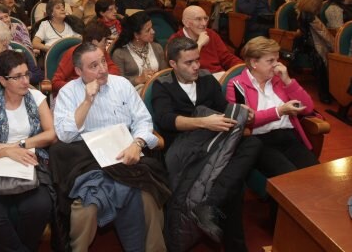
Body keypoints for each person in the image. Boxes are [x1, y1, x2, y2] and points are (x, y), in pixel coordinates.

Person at [52, 42, 170, 252]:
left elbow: (144, 121)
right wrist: (88, 101)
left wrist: (137, 143)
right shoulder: (68, 93)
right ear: (79, 71)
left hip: (126, 156)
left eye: (103, 62)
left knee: (150, 197)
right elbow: (65, 136)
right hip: (88, 162)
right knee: (85, 209)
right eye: (94, 66)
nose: (103, 69)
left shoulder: (122, 85)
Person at [151, 37, 261, 251]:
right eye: (188, 63)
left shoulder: (207, 79)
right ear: (173, 64)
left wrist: (240, 113)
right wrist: (204, 122)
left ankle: (211, 204)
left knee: (254, 142)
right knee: (234, 188)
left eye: (197, 60)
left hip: (211, 144)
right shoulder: (162, 85)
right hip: (183, 147)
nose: (196, 66)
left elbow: (223, 108)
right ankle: (233, 243)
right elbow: (166, 120)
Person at [0, 50, 57, 252]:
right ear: (2, 80)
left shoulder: (36, 97)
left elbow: (51, 135)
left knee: (38, 206)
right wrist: (7, 153)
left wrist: (15, 146)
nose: (26, 81)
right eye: (17, 77)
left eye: (26, 74)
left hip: (30, 163)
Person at [225, 37, 319, 178]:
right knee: (290, 178)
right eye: (270, 61)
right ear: (254, 62)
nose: (277, 65)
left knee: (316, 174)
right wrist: (279, 111)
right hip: (259, 142)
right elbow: (244, 121)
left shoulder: (280, 79)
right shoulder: (237, 85)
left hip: (289, 137)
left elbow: (308, 108)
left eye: (277, 60)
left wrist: (288, 80)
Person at [169, 6, 243, 80]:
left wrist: (244, 68)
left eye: (205, 18)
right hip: (197, 80)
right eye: (198, 19)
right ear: (186, 23)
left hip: (220, 77)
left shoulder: (211, 34)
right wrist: (199, 44)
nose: (204, 23)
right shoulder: (176, 40)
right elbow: (183, 71)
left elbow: (227, 58)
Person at [52, 21, 120, 97]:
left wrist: (98, 77)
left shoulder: (100, 52)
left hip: (99, 92)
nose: (106, 44)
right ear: (94, 42)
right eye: (105, 41)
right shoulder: (74, 53)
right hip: (75, 95)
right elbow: (55, 82)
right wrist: (80, 85)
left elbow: (115, 70)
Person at [110, 11, 167, 89]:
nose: (153, 32)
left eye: (152, 27)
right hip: (132, 94)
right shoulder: (120, 53)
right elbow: (117, 84)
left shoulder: (157, 48)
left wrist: (157, 77)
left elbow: (165, 74)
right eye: (148, 30)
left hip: (158, 90)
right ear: (136, 35)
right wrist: (138, 80)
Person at [296, 0, 335, 103]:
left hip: (305, 45)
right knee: (322, 70)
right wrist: (336, 46)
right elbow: (324, 34)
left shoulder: (300, 12)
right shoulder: (311, 17)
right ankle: (325, 96)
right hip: (314, 47)